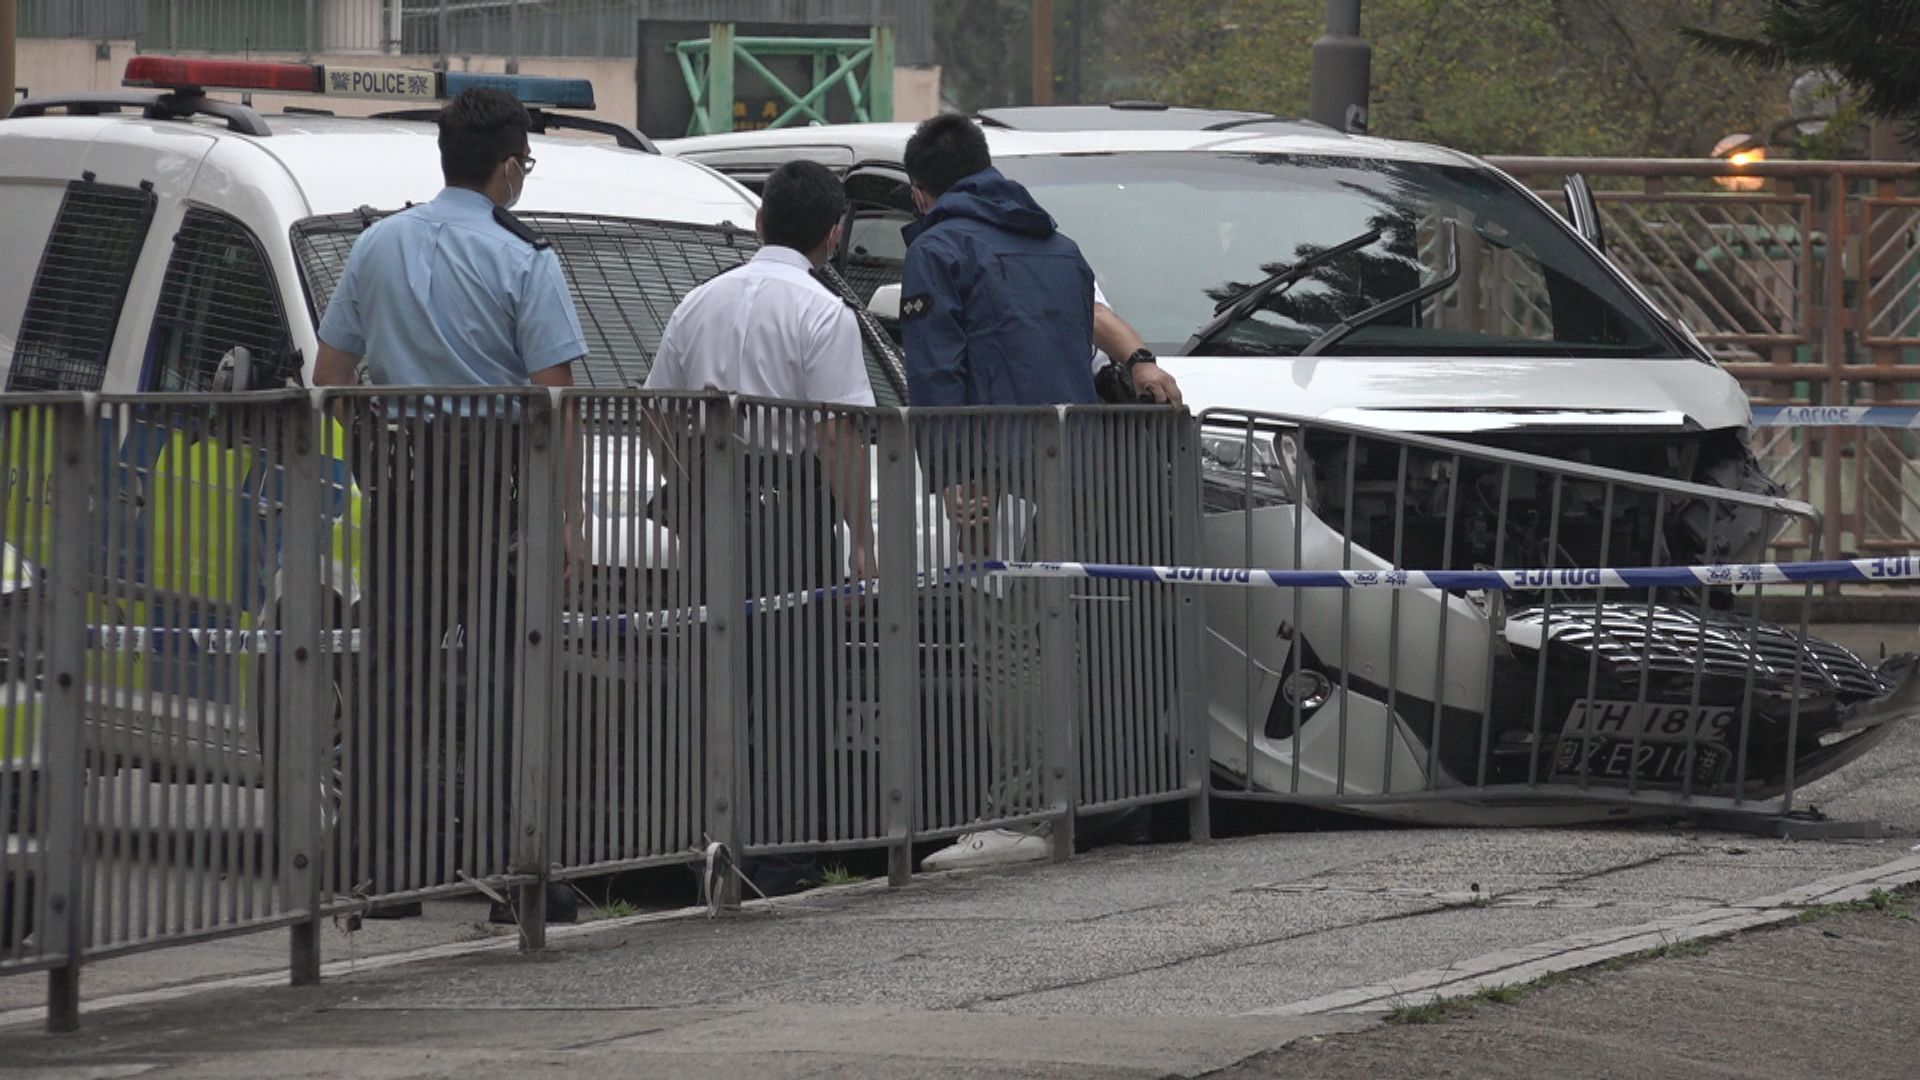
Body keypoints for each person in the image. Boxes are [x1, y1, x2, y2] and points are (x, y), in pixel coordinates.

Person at [312, 87, 586, 925]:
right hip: (497, 487)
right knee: (510, 678)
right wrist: (567, 519)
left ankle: (380, 873)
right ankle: (518, 872)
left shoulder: (377, 243)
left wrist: (374, 442)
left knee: (392, 678)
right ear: (508, 168)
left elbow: (329, 377)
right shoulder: (524, 258)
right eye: (525, 166)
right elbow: (556, 397)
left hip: (401, 484)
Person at [643, 159, 877, 895]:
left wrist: (683, 482)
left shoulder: (698, 302)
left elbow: (655, 409)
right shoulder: (822, 311)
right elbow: (838, 430)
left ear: (758, 221)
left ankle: (711, 846)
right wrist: (861, 534)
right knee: (794, 680)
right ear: (834, 236)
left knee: (716, 675)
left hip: (715, 499)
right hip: (790, 503)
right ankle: (782, 859)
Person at [898, 113, 1108, 871]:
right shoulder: (1061, 247)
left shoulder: (939, 247)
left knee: (1009, 648)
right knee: (1063, 642)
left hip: (996, 478)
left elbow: (937, 372)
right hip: (1076, 470)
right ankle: (1068, 805)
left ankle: (1020, 816)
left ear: (922, 192)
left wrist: (952, 477)